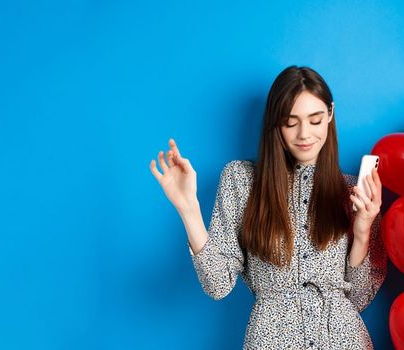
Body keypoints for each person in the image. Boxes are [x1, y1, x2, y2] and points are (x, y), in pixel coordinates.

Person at [149, 66, 386, 349]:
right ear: (275, 122)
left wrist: (362, 229)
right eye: (290, 122)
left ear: (330, 115)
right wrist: (189, 208)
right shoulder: (241, 180)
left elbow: (358, 298)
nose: (304, 134)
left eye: (315, 120)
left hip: (343, 340)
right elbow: (217, 285)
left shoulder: (353, 192)